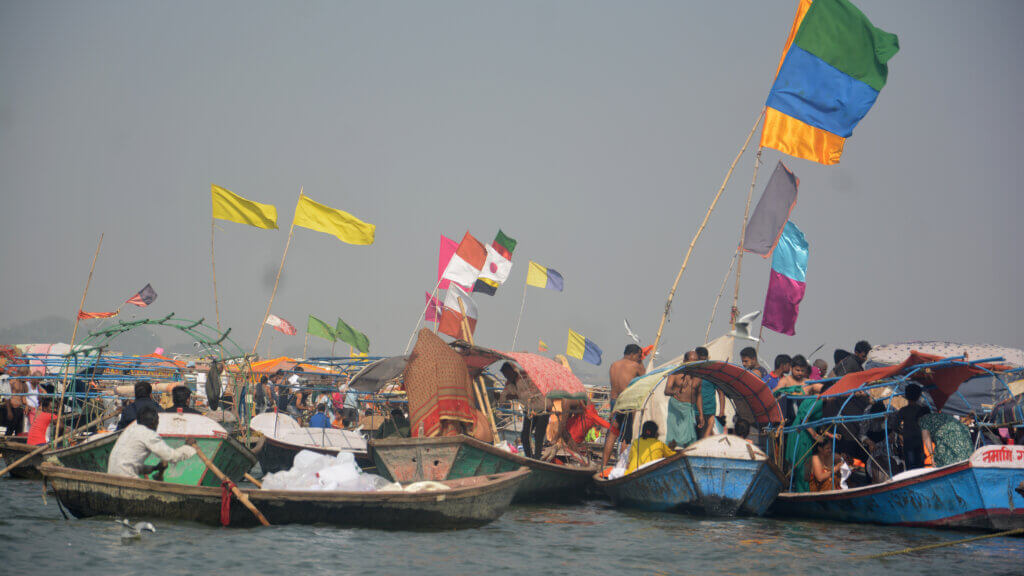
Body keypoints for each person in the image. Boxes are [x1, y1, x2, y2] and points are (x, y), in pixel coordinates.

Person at [108, 406, 196, 478]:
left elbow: (129, 464)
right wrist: (188, 447)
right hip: (127, 479)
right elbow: (172, 457)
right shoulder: (149, 434)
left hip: (111, 476)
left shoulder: (129, 430)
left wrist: (154, 468)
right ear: (155, 422)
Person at [601, 344, 646, 468]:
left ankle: (603, 465)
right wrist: (641, 362)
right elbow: (646, 380)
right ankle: (622, 466)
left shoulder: (613, 365)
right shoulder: (636, 366)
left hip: (615, 401)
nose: (639, 358)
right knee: (627, 435)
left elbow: (613, 387)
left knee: (612, 433)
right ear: (632, 354)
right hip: (628, 401)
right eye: (639, 356)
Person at [501, 363, 549, 459]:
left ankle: (537, 457)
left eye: (508, 374)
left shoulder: (525, 376)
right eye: (505, 375)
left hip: (542, 407)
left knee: (539, 434)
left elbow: (530, 393)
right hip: (529, 409)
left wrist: (515, 396)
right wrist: (501, 397)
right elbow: (503, 397)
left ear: (513, 371)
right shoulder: (509, 383)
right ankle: (529, 457)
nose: (507, 377)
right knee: (524, 435)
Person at [664, 351, 703, 448]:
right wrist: (676, 392)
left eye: (695, 361)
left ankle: (687, 457)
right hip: (675, 408)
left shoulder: (698, 377)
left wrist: (701, 414)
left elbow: (698, 395)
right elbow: (667, 390)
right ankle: (670, 456)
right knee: (673, 436)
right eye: (690, 361)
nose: (692, 364)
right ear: (684, 361)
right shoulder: (675, 373)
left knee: (689, 437)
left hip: (689, 409)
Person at [896, 383, 931, 469]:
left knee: (911, 467)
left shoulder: (903, 411)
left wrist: (902, 432)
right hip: (919, 441)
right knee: (920, 466)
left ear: (906, 396)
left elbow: (895, 425)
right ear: (919, 396)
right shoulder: (922, 410)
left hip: (908, 441)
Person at [695, 347, 723, 438]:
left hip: (709, 410)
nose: (702, 363)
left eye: (704, 360)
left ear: (708, 358)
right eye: (700, 360)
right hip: (694, 411)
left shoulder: (712, 373)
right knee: (694, 438)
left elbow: (720, 392)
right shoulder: (692, 372)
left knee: (705, 437)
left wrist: (721, 411)